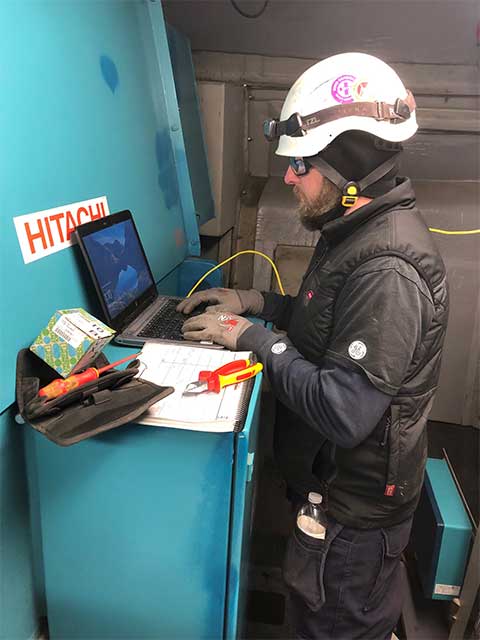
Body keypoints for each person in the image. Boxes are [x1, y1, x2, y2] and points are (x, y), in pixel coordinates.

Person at [177, 52, 449, 639]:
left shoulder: (387, 268)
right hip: (334, 506)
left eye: (301, 162)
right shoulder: (351, 230)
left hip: (352, 528)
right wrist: (253, 305)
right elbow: (321, 330)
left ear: (347, 168)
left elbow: (345, 410)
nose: (289, 177)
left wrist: (250, 340)